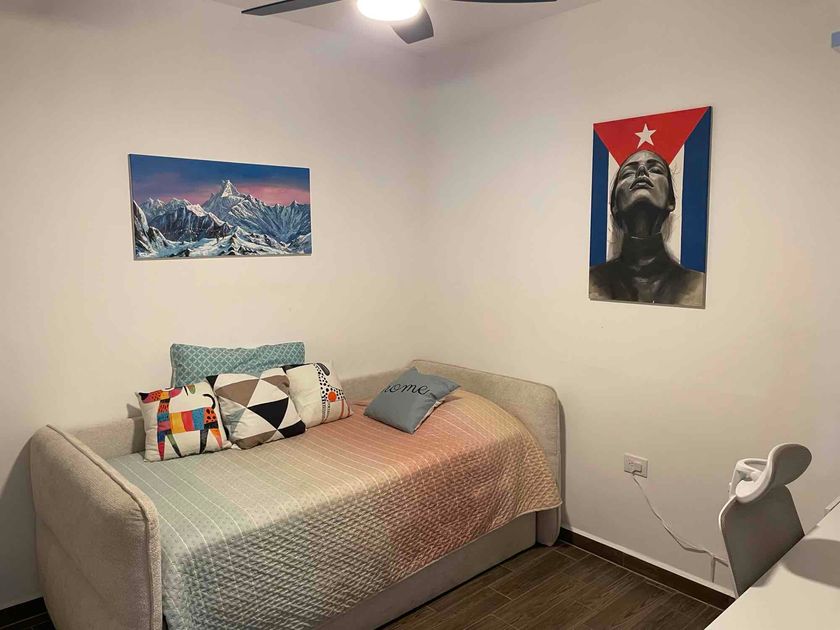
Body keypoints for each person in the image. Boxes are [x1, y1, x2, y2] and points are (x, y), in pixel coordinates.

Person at [589, 149, 705, 307]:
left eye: (655, 170)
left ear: (671, 201)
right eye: (628, 173)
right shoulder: (590, 282)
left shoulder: (699, 286)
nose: (642, 172)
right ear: (614, 205)